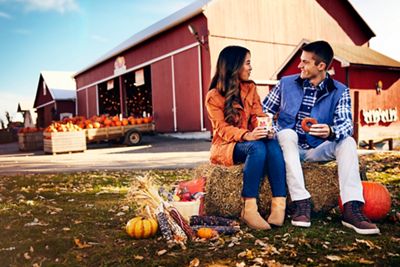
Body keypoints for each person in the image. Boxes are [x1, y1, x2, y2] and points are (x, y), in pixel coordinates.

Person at [262, 40, 380, 235]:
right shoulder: (285, 84)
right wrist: (273, 129)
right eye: (301, 61)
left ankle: (351, 208)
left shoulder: (340, 91)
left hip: (316, 148)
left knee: (347, 141)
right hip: (287, 146)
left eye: (305, 62)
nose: (300, 65)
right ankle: (301, 202)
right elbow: (264, 112)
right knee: (288, 133)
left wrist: (331, 131)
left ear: (321, 66)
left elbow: (346, 125)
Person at [205, 46, 287, 230]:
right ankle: (249, 208)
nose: (251, 68)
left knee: (271, 142)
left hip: (248, 139)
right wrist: (247, 135)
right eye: (248, 63)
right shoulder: (213, 96)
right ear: (235, 66)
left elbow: (257, 116)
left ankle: (279, 205)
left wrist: (265, 128)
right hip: (226, 146)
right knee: (256, 147)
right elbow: (222, 129)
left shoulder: (250, 88)